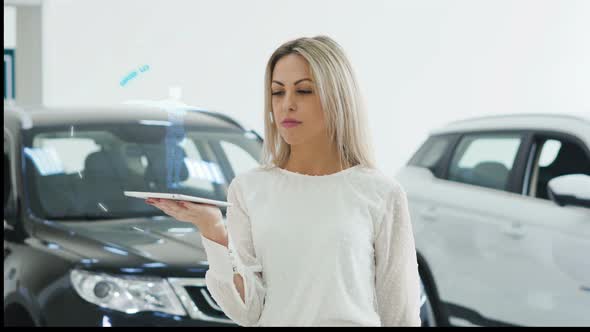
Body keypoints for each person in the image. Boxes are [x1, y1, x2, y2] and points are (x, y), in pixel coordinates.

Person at [146, 35, 422, 327]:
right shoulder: (249, 189)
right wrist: (212, 229)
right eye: (277, 93)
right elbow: (247, 311)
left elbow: (400, 310)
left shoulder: (380, 192)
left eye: (304, 91)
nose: (287, 105)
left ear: (338, 98)